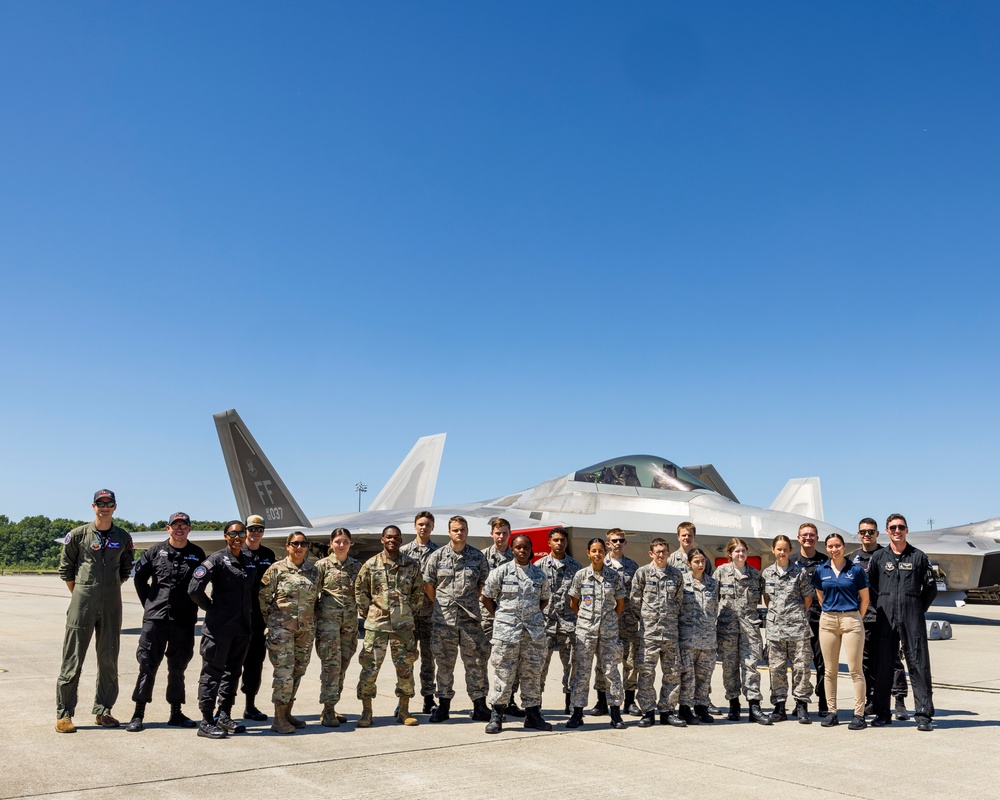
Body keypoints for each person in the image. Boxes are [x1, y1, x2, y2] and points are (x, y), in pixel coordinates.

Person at [56, 490, 135, 733]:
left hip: (112, 603)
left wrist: (107, 589)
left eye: (109, 503)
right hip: (82, 601)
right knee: (73, 658)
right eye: (101, 503)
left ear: (115, 507)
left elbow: (125, 569)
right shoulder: (78, 535)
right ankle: (64, 714)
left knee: (109, 658)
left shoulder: (123, 537)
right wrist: (83, 592)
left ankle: (104, 710)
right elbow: (66, 569)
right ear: (93, 506)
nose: (105, 507)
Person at [125, 512, 206, 732]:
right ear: (168, 528)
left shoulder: (197, 554)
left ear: (189, 529)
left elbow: (202, 583)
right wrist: (149, 604)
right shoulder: (154, 551)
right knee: (147, 665)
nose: (179, 529)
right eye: (175, 526)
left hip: (183, 619)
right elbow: (140, 578)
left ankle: (176, 713)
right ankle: (138, 713)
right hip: (156, 619)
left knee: (178, 667)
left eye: (183, 526)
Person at [869, 514, 937, 732]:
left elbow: (930, 588)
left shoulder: (919, 557)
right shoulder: (878, 557)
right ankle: (882, 713)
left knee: (918, 663)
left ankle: (923, 715)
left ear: (906, 530)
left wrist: (916, 608)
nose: (897, 531)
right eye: (893, 527)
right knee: (883, 665)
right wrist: (882, 604)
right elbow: (870, 587)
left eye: (901, 527)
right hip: (885, 616)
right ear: (887, 531)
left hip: (911, 615)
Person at [188, 521, 256, 739]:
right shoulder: (215, 560)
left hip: (241, 627)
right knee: (212, 673)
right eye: (233, 533)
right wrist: (211, 608)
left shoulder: (248, 561)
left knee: (233, 673)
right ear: (225, 536)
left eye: (241, 533)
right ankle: (206, 720)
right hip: (218, 629)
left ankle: (224, 714)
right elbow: (194, 589)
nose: (238, 537)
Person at [354, 525, 425, 728]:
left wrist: (406, 612)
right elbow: (360, 591)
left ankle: (404, 710)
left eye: (396, 537)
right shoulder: (371, 564)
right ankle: (366, 711)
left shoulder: (411, 565)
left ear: (400, 540)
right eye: (388, 537)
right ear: (382, 540)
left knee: (405, 669)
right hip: (377, 626)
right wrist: (369, 613)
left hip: (403, 627)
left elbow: (418, 593)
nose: (392, 540)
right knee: (369, 669)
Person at [481, 533, 552, 734]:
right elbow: (486, 598)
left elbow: (544, 599)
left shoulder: (539, 575)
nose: (522, 551)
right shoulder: (501, 572)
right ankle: (497, 715)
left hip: (532, 634)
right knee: (503, 674)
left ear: (531, 549)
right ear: (512, 549)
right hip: (506, 634)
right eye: (518, 547)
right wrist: (502, 617)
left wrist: (530, 616)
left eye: (526, 547)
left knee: (532, 675)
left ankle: (533, 715)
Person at [423, 515, 491, 722]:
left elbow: (483, 585)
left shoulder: (477, 557)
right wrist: (441, 603)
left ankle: (479, 705)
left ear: (467, 531)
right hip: (444, 621)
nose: (459, 533)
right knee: (444, 663)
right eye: (455, 530)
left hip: (470, 620)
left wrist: (470, 601)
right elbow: (428, 584)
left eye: (462, 529)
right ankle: (443, 706)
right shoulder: (437, 556)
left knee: (476, 663)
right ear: (449, 532)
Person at [259, 531, 319, 734]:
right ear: (287, 546)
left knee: (298, 671)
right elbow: (264, 598)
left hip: (305, 631)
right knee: (284, 674)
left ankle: (287, 714)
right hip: (282, 630)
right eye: (294, 543)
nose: (299, 547)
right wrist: (273, 621)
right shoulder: (276, 569)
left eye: (302, 544)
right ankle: (278, 718)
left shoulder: (313, 571)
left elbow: (315, 599)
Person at [851, 517, 910, 719]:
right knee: (866, 661)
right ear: (859, 534)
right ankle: (872, 700)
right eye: (863, 532)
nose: (867, 535)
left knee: (893, 659)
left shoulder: (887, 555)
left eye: (871, 531)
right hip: (863, 617)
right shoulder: (853, 558)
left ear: (877, 534)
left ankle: (899, 701)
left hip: (886, 615)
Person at [566, 538, 627, 730]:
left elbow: (620, 603)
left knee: (611, 671)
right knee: (582, 672)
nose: (597, 554)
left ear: (605, 552)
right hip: (586, 632)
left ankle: (615, 713)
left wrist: (609, 620)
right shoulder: (581, 575)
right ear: (588, 553)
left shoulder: (613, 576)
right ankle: (577, 712)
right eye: (594, 551)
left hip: (608, 632)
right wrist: (585, 619)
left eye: (601, 550)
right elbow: (574, 602)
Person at [813, 532, 869, 730]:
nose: (834, 549)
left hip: (851, 619)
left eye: (837, 546)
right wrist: (831, 612)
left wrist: (855, 618)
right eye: (830, 546)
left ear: (844, 547)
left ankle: (859, 714)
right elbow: (820, 596)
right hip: (828, 621)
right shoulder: (821, 570)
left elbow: (865, 598)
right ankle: (832, 712)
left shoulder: (856, 570)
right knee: (830, 670)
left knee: (855, 670)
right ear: (826, 548)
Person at [630, 538, 686, 727]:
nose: (661, 555)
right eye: (658, 552)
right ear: (651, 553)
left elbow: (679, 601)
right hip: (649, 634)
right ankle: (648, 711)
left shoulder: (676, 574)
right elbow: (635, 601)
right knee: (646, 673)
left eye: (664, 551)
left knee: (672, 673)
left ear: (669, 553)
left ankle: (667, 711)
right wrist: (647, 619)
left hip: (670, 633)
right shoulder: (643, 573)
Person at [715, 538, 770, 725]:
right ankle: (733, 704)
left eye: (743, 551)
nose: (740, 554)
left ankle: (754, 706)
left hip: (750, 629)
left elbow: (763, 599)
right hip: (727, 628)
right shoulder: (721, 573)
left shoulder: (754, 574)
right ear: (729, 554)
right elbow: (713, 600)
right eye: (736, 551)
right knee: (729, 668)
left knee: (751, 667)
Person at [761, 534, 815, 724]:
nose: (782, 552)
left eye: (785, 549)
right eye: (779, 549)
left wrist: (794, 615)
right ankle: (779, 706)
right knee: (776, 669)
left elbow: (808, 599)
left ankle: (801, 705)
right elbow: (767, 600)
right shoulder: (767, 574)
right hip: (775, 630)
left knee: (801, 668)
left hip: (798, 629)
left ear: (790, 550)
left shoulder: (800, 572)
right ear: (773, 550)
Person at [314, 527, 362, 727]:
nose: (342, 545)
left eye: (345, 542)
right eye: (338, 541)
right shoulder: (321, 566)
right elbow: (312, 595)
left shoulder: (357, 567)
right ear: (331, 544)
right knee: (331, 666)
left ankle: (332, 706)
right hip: (328, 626)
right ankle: (327, 710)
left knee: (342, 666)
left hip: (349, 625)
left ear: (350, 544)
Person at [590, 528, 640, 716]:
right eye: (614, 540)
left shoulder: (633, 566)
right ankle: (602, 701)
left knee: (630, 662)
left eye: (621, 540)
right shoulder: (600, 564)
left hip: (628, 622)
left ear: (625, 543)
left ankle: (630, 701)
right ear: (608, 543)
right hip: (606, 623)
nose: (617, 543)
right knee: (603, 663)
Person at [535, 526, 581, 714]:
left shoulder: (576, 567)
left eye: (562, 540)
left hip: (568, 623)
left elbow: (579, 596)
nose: (559, 543)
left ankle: (570, 703)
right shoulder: (538, 566)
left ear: (567, 542)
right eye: (556, 540)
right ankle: (535, 703)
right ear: (549, 543)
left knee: (571, 665)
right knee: (539, 665)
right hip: (544, 623)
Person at [480, 518, 523, 717]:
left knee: (510, 661)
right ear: (491, 534)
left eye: (505, 533)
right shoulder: (481, 557)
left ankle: (509, 700)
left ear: (510, 534)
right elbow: (478, 586)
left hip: (511, 620)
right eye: (497, 533)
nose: (501, 537)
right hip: (486, 617)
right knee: (482, 660)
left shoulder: (517, 556)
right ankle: (482, 703)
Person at [399, 511, 440, 714]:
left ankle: (429, 698)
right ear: (415, 526)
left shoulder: (438, 552)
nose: (424, 527)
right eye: (420, 524)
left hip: (430, 614)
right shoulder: (404, 552)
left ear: (433, 527)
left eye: (427, 524)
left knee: (428, 658)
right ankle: (403, 699)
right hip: (408, 614)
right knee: (405, 658)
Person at [240, 514, 277, 722]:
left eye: (259, 529)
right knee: (230, 664)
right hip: (237, 617)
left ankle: (250, 706)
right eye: (252, 529)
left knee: (255, 663)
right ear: (246, 531)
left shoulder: (268, 555)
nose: (255, 533)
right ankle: (223, 708)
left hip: (259, 618)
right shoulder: (236, 552)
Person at [678, 548, 718, 725]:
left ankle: (701, 706)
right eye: (696, 561)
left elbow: (714, 608)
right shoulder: (682, 582)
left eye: (702, 561)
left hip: (707, 638)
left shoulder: (713, 583)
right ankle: (685, 708)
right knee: (688, 675)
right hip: (687, 638)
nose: (700, 564)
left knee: (704, 675)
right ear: (689, 563)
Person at [792, 522, 828, 717]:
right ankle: (800, 702)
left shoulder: (825, 561)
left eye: (812, 535)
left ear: (817, 538)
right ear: (798, 538)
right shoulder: (791, 561)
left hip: (821, 619)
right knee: (800, 664)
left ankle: (824, 702)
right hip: (798, 621)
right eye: (804, 535)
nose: (808, 538)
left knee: (823, 664)